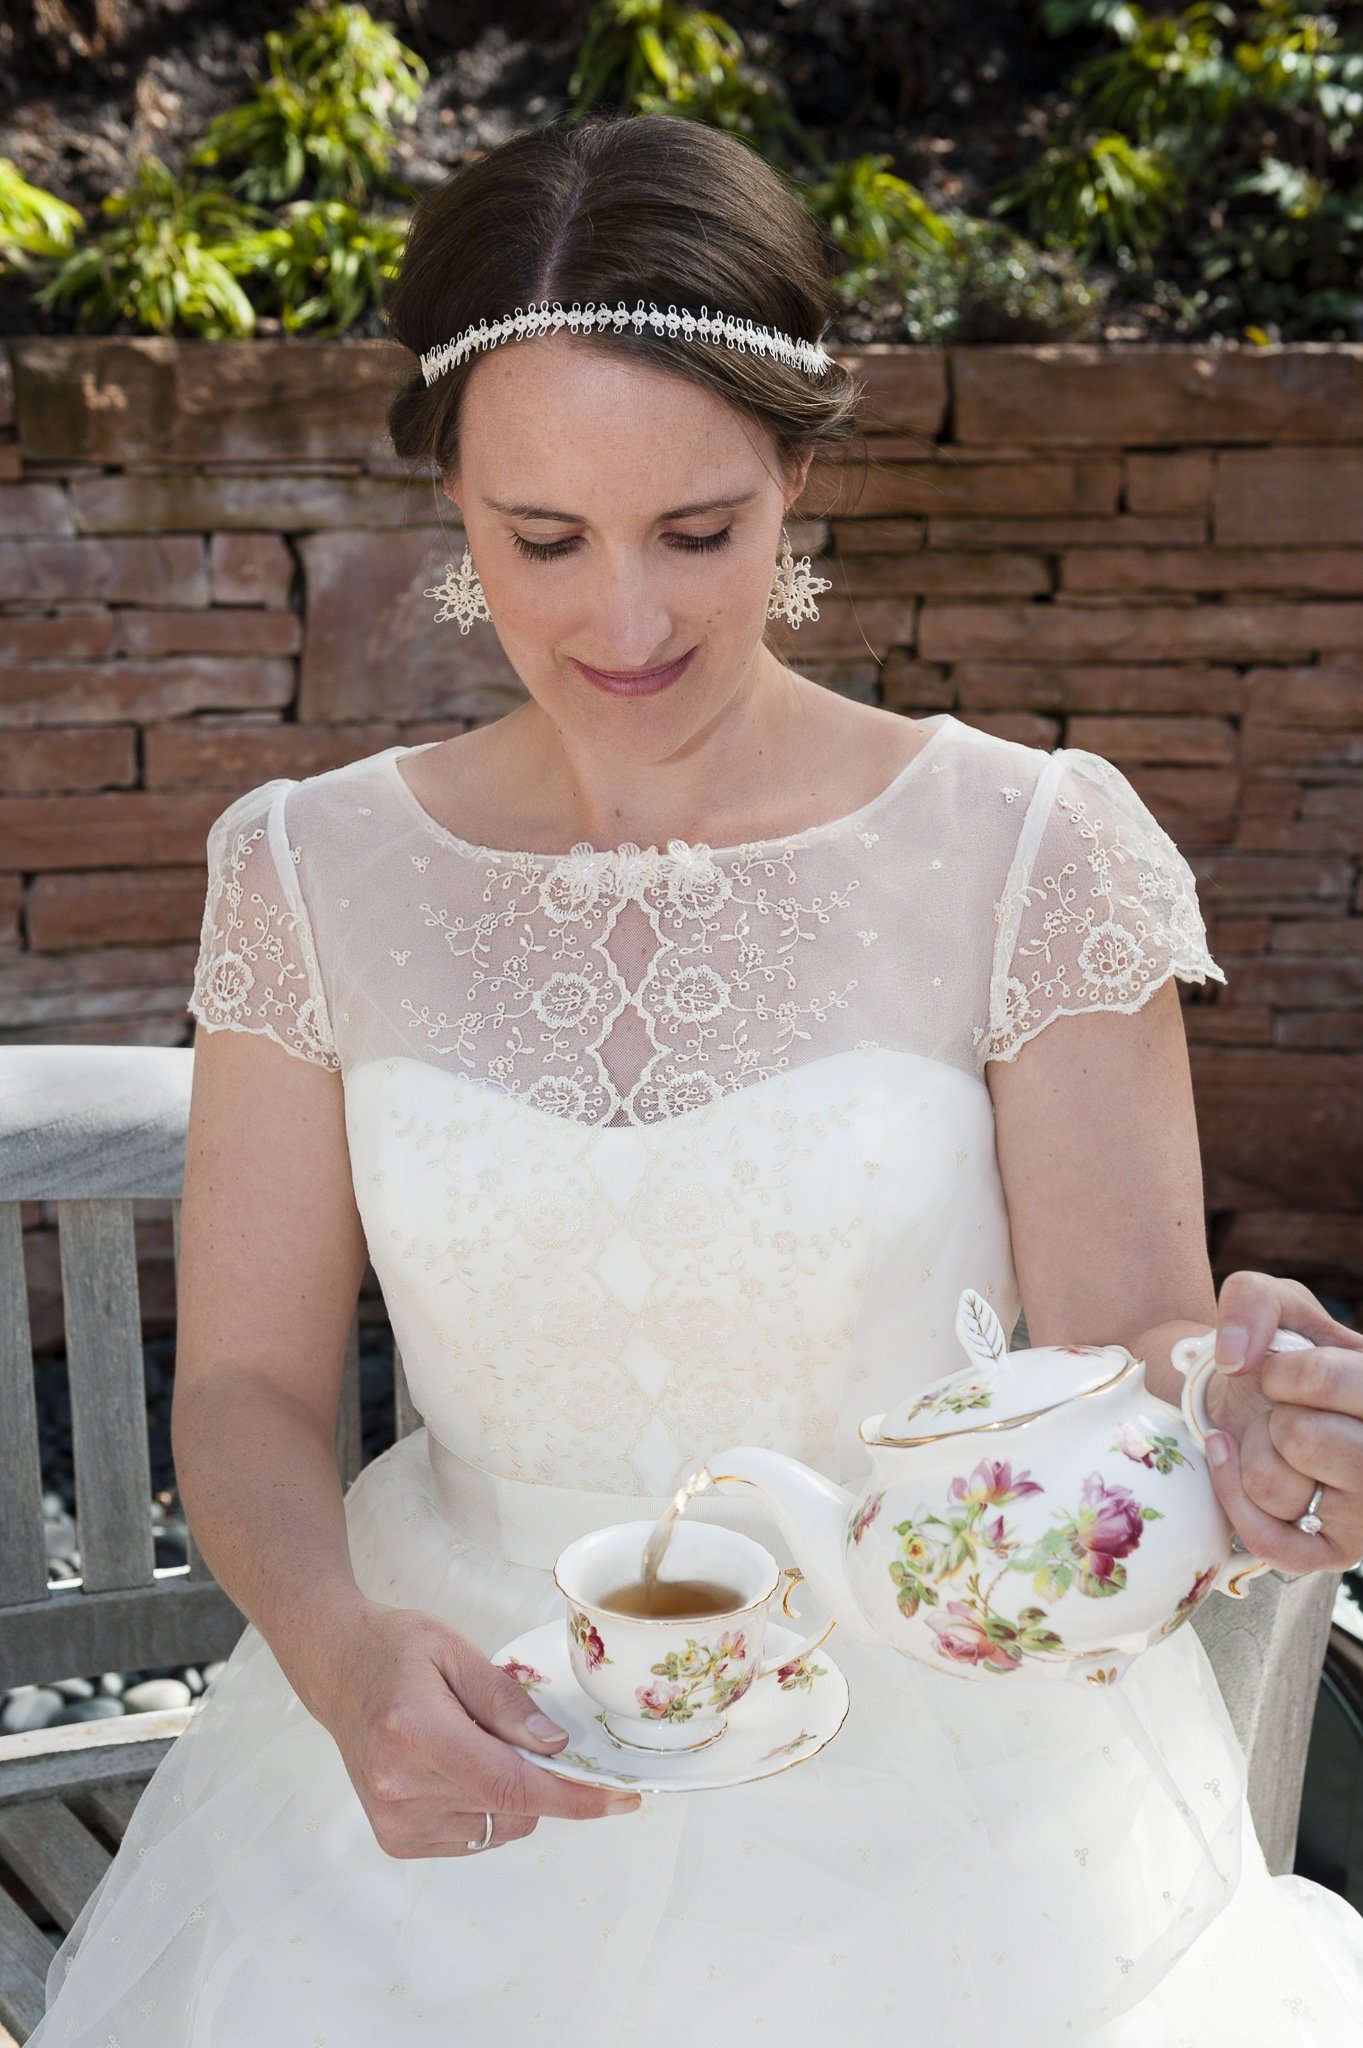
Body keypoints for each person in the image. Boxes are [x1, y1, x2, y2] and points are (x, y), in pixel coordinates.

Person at [30, 112, 1363, 2047]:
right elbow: (236, 1387)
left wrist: (1245, 1430)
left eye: (700, 531)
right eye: (542, 539)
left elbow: (1130, 1350)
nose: (626, 622)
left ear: (799, 472)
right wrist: (338, 1661)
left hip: (963, 1791)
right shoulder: (305, 871)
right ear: (452, 497)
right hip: (460, 1728)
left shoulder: (1028, 847)